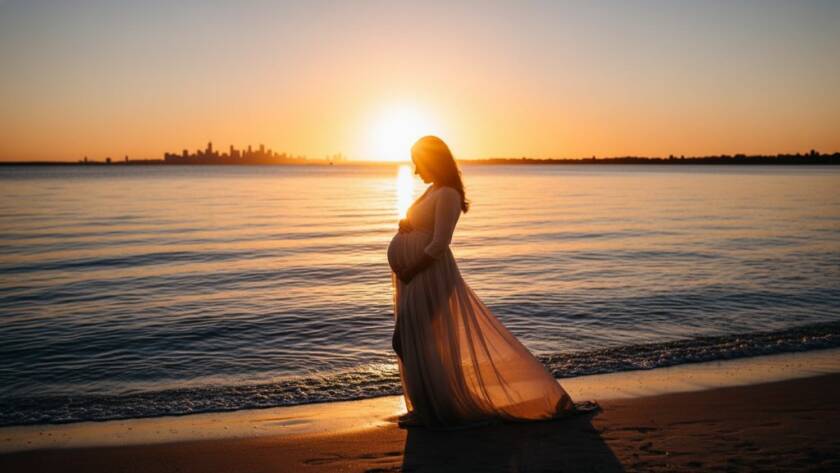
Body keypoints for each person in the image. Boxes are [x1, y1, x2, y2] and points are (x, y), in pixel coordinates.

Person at [387, 135, 577, 429]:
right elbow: (425, 225)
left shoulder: (448, 193)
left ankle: (437, 409)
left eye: (418, 163)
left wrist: (411, 269)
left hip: (429, 275)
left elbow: (440, 243)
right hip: (416, 276)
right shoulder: (433, 190)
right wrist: (407, 225)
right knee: (413, 340)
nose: (415, 170)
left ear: (432, 161)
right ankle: (431, 407)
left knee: (409, 340)